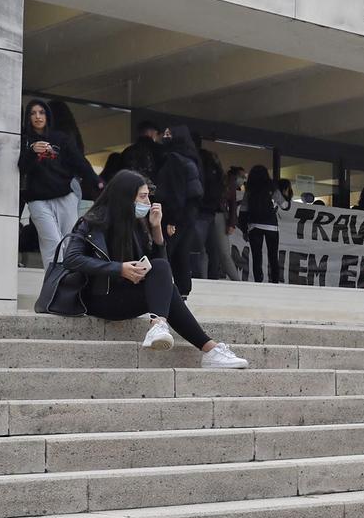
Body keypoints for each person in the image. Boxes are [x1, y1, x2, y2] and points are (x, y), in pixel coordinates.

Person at [55, 170, 248, 367]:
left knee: (165, 279)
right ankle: (204, 347)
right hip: (98, 299)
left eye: (148, 196)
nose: (148, 202)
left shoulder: (137, 224)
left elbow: (162, 271)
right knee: (169, 289)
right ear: (125, 195)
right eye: (143, 196)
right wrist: (118, 269)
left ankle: (196, 343)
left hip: (124, 294)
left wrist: (157, 230)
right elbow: (71, 259)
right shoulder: (93, 221)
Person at [20, 100, 101, 266]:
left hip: (64, 197)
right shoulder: (24, 140)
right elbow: (21, 168)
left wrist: (98, 183)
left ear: (47, 115)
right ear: (28, 117)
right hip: (37, 201)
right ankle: (54, 284)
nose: (37, 116)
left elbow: (80, 162)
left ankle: (67, 285)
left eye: (41, 112)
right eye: (33, 113)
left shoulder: (60, 138)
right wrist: (32, 151)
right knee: (52, 242)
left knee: (70, 242)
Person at [153, 125, 205, 296]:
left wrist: (171, 221)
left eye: (168, 134)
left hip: (175, 216)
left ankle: (162, 290)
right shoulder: (191, 159)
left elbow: (175, 192)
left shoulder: (173, 160)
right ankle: (182, 291)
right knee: (182, 254)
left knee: (167, 253)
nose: (165, 137)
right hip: (189, 215)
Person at [243, 164, 283, 283]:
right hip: (271, 225)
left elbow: (243, 210)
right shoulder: (272, 187)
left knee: (257, 256)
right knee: (273, 256)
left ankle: (258, 281)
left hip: (254, 226)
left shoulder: (249, 189)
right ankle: (275, 281)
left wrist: (244, 228)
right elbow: (284, 204)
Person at [196, 140, 229, 280]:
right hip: (214, 211)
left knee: (198, 248)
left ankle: (200, 277)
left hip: (200, 210)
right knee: (213, 248)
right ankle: (213, 276)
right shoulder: (218, 172)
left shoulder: (199, 167)